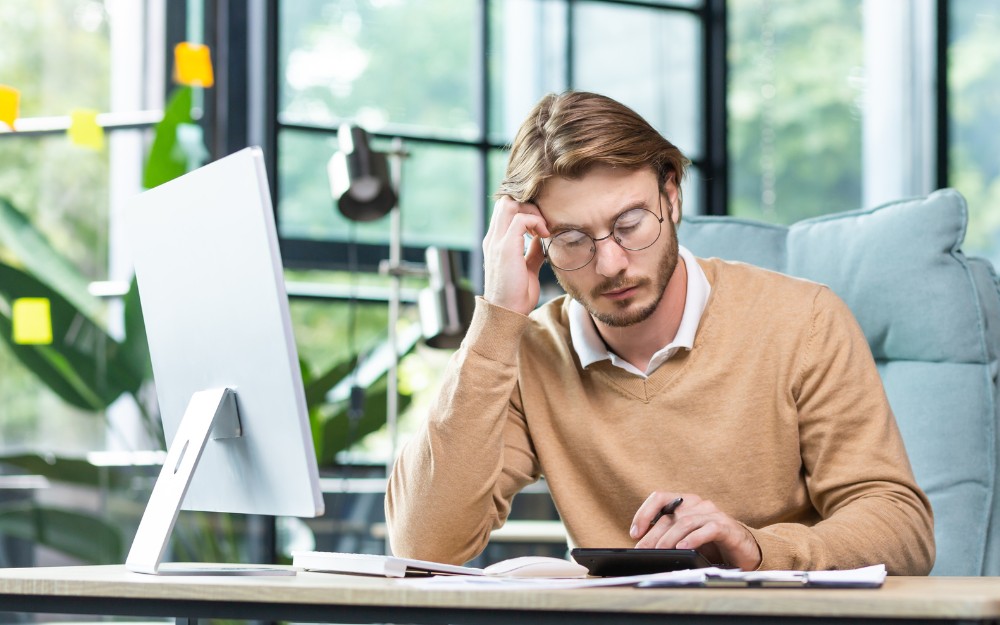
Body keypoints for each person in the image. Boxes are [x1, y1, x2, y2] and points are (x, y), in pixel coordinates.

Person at [385, 90, 935, 574]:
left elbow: (901, 526)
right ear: (535, 241)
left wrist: (757, 549)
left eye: (630, 225)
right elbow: (422, 543)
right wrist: (498, 316)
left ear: (671, 194)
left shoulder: (806, 320)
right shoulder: (527, 353)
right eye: (573, 239)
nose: (611, 264)